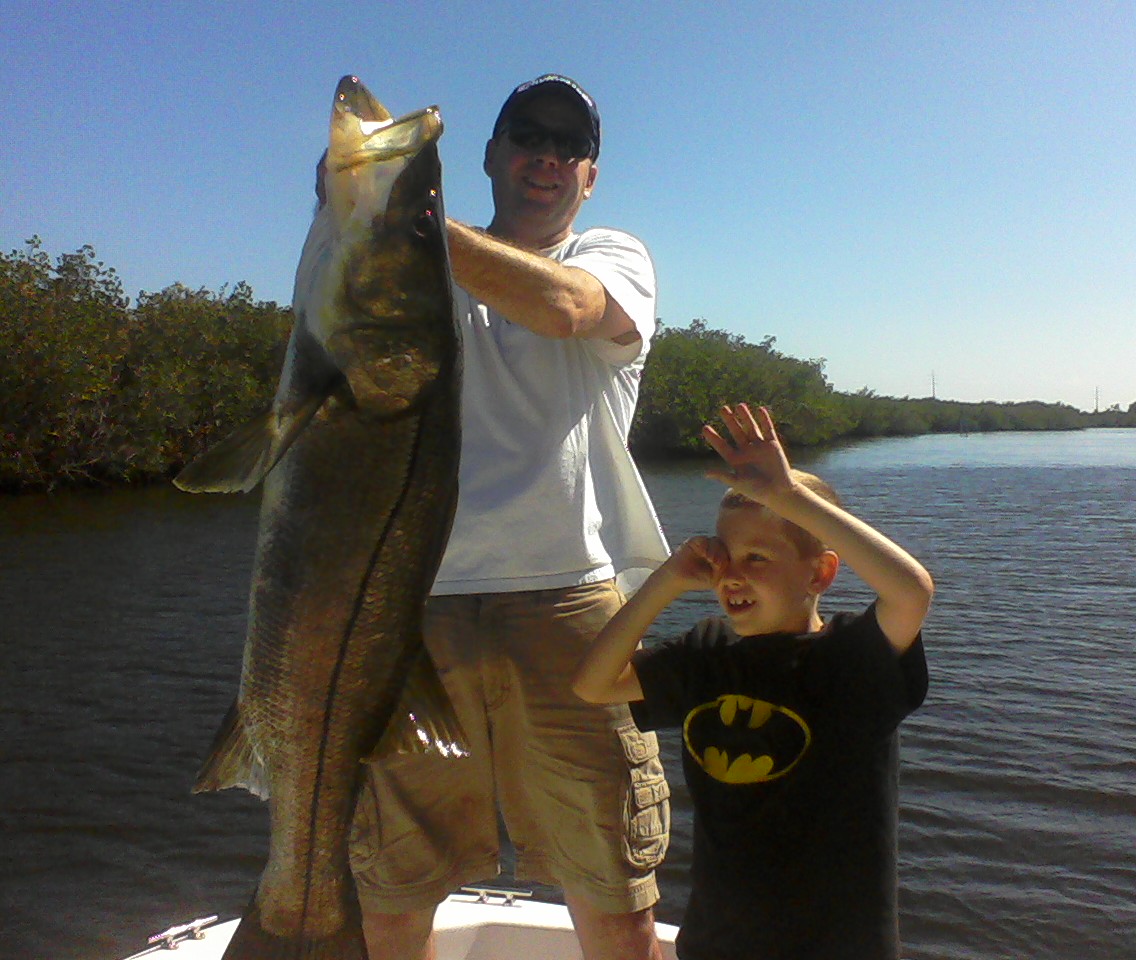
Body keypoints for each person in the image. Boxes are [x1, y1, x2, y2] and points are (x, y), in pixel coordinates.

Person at [349, 75, 671, 960]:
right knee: (393, 883)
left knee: (611, 884)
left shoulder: (611, 255)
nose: (548, 156)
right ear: (490, 157)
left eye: (571, 146)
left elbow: (568, 309)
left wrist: (403, 215)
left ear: (590, 178)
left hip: (571, 602)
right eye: (528, 135)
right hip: (411, 602)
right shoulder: (410, 266)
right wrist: (368, 220)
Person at [574, 403, 936, 960]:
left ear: (820, 573)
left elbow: (911, 591)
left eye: (758, 557)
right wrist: (666, 581)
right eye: (727, 556)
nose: (734, 575)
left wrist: (790, 498)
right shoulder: (706, 654)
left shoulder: (854, 658)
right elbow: (595, 684)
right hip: (719, 943)